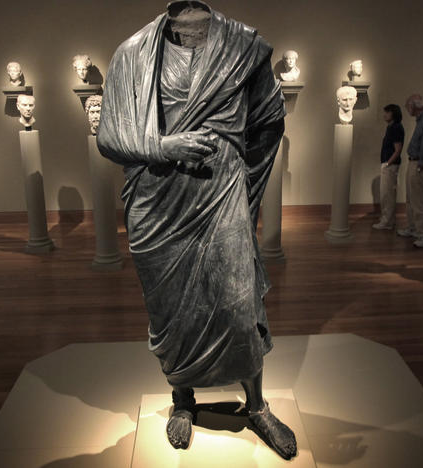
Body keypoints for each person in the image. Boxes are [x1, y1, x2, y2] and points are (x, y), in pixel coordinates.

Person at [97, 0, 297, 460]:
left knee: (239, 304)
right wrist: (164, 146)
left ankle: (257, 406)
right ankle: (182, 401)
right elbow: (109, 135)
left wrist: (242, 186)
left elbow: (268, 121)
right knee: (171, 311)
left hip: (220, 196)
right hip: (159, 205)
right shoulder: (132, 53)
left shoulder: (244, 46)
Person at [397, 94, 423, 248]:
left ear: (413, 106)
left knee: (419, 201)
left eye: (408, 106)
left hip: (420, 164)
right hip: (415, 162)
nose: (407, 109)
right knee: (410, 198)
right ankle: (413, 228)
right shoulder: (422, 119)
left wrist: (421, 165)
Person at [373, 104, 405, 230]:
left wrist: (387, 163)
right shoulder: (391, 127)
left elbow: (398, 150)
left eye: (387, 112)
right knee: (386, 194)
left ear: (393, 114)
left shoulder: (396, 128)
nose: (384, 115)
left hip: (390, 165)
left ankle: (387, 222)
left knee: (387, 195)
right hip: (389, 164)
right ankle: (388, 220)